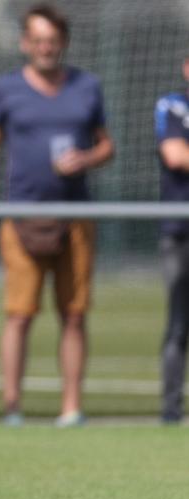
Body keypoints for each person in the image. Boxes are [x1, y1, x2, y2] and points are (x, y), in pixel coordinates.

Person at [0, 3, 114, 427]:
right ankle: (12, 407)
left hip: (76, 218)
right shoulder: (6, 89)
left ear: (62, 43)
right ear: (25, 43)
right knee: (20, 313)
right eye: (38, 40)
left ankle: (71, 407)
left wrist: (85, 158)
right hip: (20, 217)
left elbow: (107, 146)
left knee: (74, 313)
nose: (46, 48)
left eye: (53, 41)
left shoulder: (88, 86)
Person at [157, 53, 189, 424]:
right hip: (180, 232)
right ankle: (171, 410)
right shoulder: (172, 107)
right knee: (179, 324)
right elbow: (176, 155)